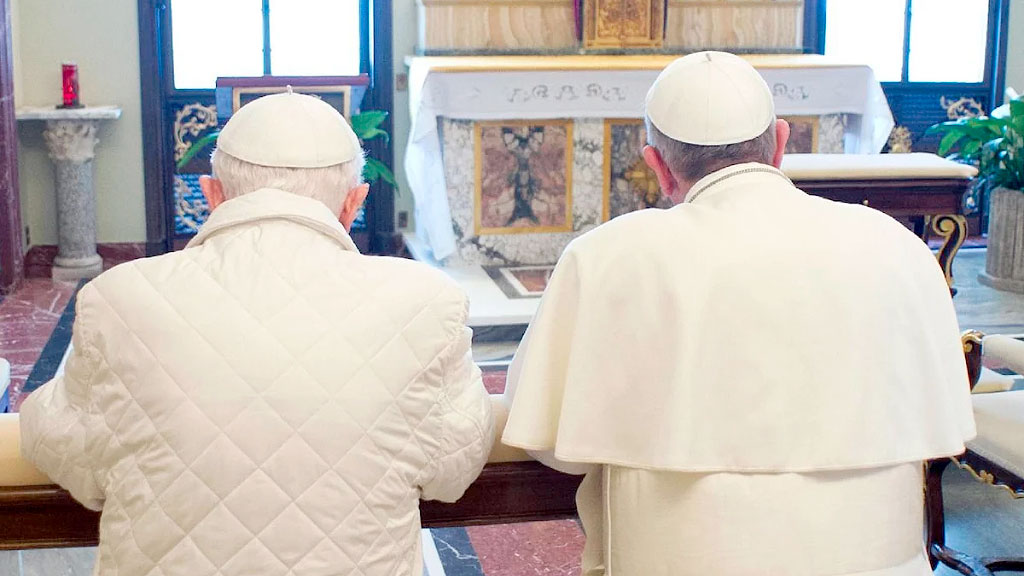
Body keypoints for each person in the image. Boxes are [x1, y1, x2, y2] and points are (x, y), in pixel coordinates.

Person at [500, 52, 975, 576]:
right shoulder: (896, 246)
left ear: (657, 166)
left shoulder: (606, 257)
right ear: (780, 143)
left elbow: (547, 438)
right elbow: (943, 421)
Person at [20, 91, 493, 576]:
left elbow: (65, 449)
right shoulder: (427, 302)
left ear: (212, 194)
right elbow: (453, 468)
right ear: (354, 203)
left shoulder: (117, 298)